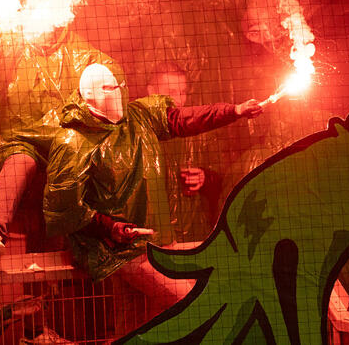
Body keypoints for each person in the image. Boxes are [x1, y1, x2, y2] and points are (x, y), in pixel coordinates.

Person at [43, 63, 263, 317]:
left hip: (159, 243)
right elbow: (64, 209)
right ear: (87, 95)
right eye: (105, 88)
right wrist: (110, 227)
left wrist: (233, 111)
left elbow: (184, 119)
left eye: (117, 85)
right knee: (198, 307)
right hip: (121, 252)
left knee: (148, 323)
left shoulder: (139, 117)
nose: (115, 91)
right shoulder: (73, 142)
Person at [0, 27, 120, 256]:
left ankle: (50, 287)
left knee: (58, 199)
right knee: (18, 165)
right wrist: (3, 53)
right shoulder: (13, 47)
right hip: (23, 140)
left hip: (66, 142)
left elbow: (114, 80)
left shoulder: (82, 53)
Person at [146, 62, 219, 242]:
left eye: (183, 92)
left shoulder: (198, 129)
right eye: (171, 92)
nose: (179, 100)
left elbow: (224, 176)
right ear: (151, 91)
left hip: (196, 235)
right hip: (152, 238)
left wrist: (205, 177)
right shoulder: (138, 130)